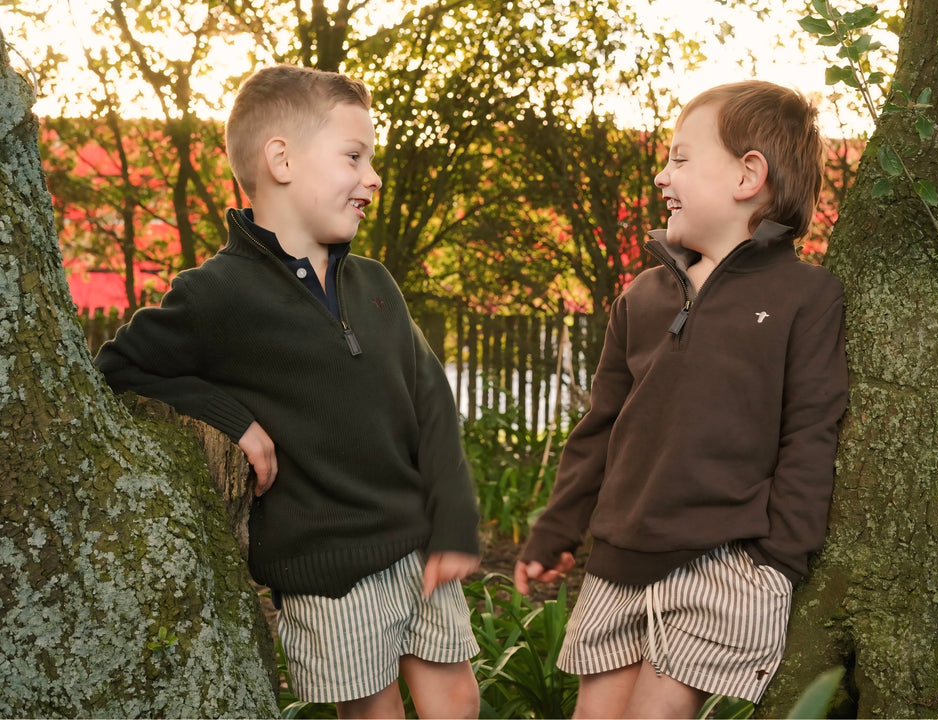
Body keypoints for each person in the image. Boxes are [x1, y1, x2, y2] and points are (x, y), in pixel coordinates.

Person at [95, 64, 481, 719]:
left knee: (459, 701)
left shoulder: (376, 285)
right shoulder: (217, 293)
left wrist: (455, 522)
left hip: (417, 545)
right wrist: (231, 418)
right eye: (354, 156)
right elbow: (116, 368)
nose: (373, 177)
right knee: (375, 712)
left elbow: (433, 406)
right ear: (281, 160)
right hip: (326, 569)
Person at [514, 80, 849, 719]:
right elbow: (599, 425)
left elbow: (811, 430)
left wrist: (781, 555)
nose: (662, 175)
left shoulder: (805, 297)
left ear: (749, 174)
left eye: (680, 158)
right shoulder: (642, 296)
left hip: (723, 562)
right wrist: (556, 530)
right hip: (619, 558)